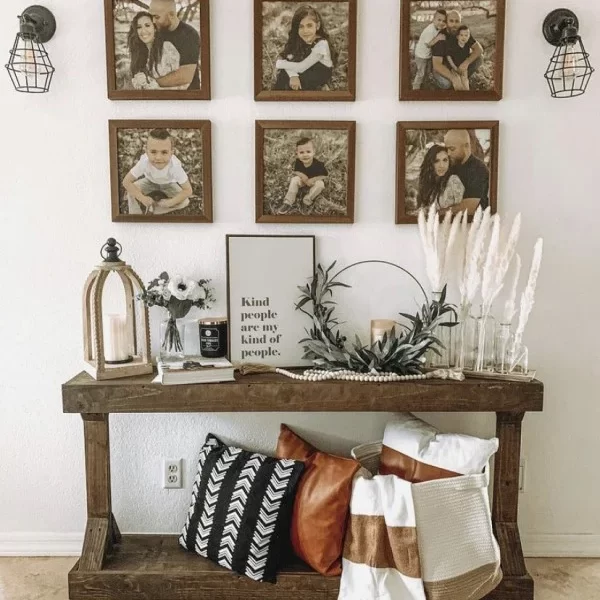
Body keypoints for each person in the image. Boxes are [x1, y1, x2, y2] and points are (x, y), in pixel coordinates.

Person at [123, 129, 193, 215]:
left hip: (169, 184)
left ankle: (155, 210)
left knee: (185, 201)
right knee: (130, 191)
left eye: (164, 152)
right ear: (147, 152)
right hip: (149, 181)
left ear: (171, 153)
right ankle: (136, 216)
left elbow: (188, 190)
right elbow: (126, 181)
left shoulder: (175, 166)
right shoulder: (144, 162)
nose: (158, 157)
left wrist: (170, 202)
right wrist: (143, 198)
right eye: (153, 152)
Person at [273, 5, 337, 91]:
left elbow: (301, 67)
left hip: (317, 78)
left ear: (317, 26)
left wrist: (279, 64)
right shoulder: (302, 40)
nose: (305, 31)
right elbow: (289, 59)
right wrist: (293, 75)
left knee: (284, 76)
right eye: (301, 26)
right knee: (285, 75)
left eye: (309, 25)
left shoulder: (321, 44)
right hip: (307, 72)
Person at [147, 0, 201, 90]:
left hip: (188, 95)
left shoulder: (189, 34)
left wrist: (152, 82)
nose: (153, 21)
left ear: (171, 15)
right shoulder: (157, 31)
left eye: (156, 17)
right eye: (151, 17)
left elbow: (185, 76)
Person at [127, 12, 184, 90]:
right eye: (139, 27)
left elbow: (181, 82)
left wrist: (156, 86)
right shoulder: (139, 54)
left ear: (155, 28)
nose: (143, 31)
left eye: (147, 25)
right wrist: (139, 82)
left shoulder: (166, 47)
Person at [431, 10, 483, 90]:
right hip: (443, 66)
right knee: (446, 84)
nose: (454, 24)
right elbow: (437, 65)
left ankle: (461, 78)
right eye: (451, 21)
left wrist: (466, 62)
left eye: (457, 21)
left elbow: (479, 49)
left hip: (458, 64)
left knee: (479, 58)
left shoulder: (463, 32)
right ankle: (454, 81)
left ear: (460, 22)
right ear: (446, 22)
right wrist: (453, 78)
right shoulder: (442, 37)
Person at [278, 137, 328, 215]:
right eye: (301, 152)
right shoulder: (298, 162)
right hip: (303, 182)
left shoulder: (318, 164)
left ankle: (306, 201)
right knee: (294, 179)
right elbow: (296, 171)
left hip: (313, 183)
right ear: (297, 153)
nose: (305, 155)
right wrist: (302, 176)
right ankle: (288, 202)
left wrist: (313, 179)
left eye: (308, 151)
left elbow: (324, 175)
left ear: (313, 152)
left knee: (320, 184)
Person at [443, 130, 490, 213]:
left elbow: (469, 207)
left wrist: (437, 213)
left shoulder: (478, 170)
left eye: (452, 149)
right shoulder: (453, 165)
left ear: (466, 146)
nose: (448, 153)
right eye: (447, 149)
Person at [417, 144, 465, 210]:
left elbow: (461, 209)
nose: (441, 165)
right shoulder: (429, 184)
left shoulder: (453, 180)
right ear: (430, 163)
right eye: (436, 161)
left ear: (449, 161)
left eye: (445, 160)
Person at [412, 9, 447, 90]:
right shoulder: (429, 30)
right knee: (421, 73)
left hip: (427, 55)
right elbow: (428, 44)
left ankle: (425, 85)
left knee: (427, 72)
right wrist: (438, 38)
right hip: (421, 55)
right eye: (439, 20)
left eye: (443, 21)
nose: (441, 23)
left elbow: (442, 26)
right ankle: (415, 88)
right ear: (433, 19)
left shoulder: (437, 27)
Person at [446, 25, 472, 91]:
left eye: (466, 35)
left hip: (463, 68)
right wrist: (454, 67)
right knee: (457, 81)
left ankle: (466, 94)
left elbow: (468, 57)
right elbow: (448, 56)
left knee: (465, 81)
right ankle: (459, 95)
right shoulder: (454, 46)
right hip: (453, 68)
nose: (464, 37)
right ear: (457, 36)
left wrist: (465, 66)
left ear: (469, 37)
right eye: (461, 35)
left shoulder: (467, 47)